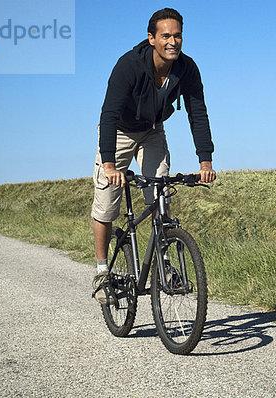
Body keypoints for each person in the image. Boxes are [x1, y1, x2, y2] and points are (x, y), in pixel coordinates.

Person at [91, 8, 216, 303]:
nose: (173, 42)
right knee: (107, 204)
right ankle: (100, 272)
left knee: (161, 194)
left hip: (152, 130)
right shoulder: (129, 66)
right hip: (120, 131)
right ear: (151, 39)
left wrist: (205, 160)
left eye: (177, 35)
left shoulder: (186, 68)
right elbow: (108, 114)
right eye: (166, 36)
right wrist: (109, 164)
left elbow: (198, 113)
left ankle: (164, 264)